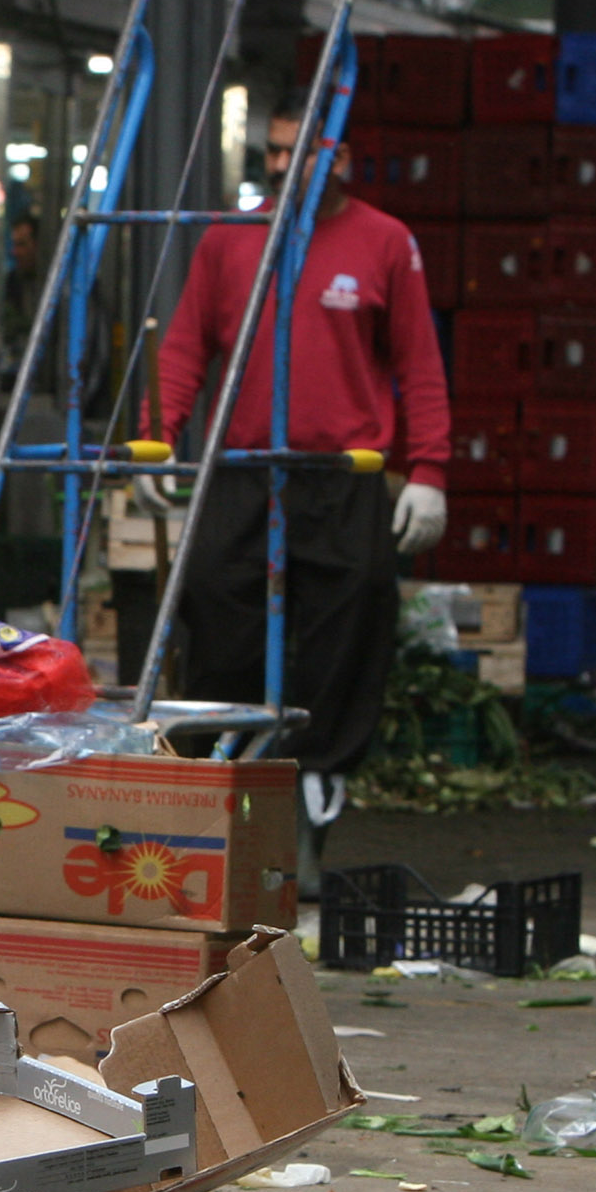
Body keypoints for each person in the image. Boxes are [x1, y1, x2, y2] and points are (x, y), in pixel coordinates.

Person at [153, 96, 451, 827]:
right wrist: (162, 434)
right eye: (274, 152)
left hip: (341, 474)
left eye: (298, 152)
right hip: (244, 466)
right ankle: (218, 761)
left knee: (353, 605)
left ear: (340, 158)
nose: (281, 166)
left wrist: (430, 471)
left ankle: (317, 772)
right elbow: (187, 345)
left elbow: (419, 365)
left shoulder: (385, 243)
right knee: (215, 595)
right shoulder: (229, 239)